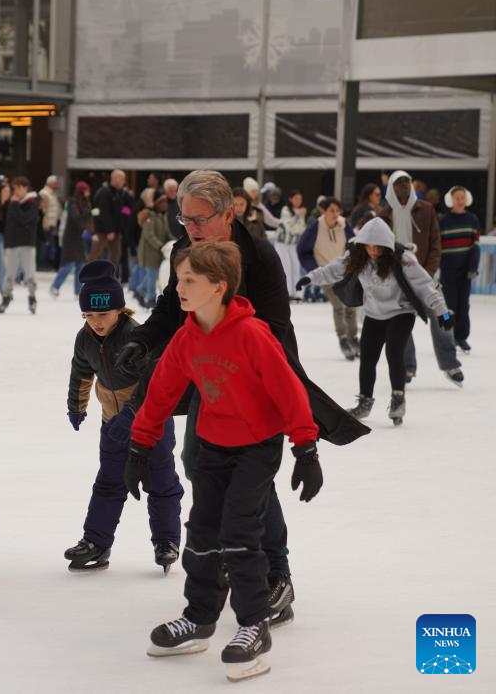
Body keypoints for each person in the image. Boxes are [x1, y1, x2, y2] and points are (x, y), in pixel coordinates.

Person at [115, 170, 369, 628]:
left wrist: (300, 434)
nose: (188, 228)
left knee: (249, 477)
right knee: (200, 466)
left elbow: (275, 328)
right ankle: (226, 565)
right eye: (183, 218)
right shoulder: (183, 252)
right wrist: (144, 341)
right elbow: (171, 311)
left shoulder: (260, 256)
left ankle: (276, 572)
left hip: (258, 382)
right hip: (209, 381)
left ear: (228, 214)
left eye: (199, 219)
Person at [135, 241, 321, 683]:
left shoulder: (252, 334)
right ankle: (199, 618)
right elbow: (160, 391)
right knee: (201, 530)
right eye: (179, 278)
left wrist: (306, 448)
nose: (178, 287)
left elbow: (289, 390)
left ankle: (253, 625)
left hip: (257, 445)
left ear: (218, 287)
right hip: (214, 442)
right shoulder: (187, 336)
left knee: (239, 530)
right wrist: (139, 446)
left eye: (188, 281)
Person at [63, 260, 183, 573]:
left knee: (161, 480)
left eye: (102, 314)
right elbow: (81, 372)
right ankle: (97, 541)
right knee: (108, 482)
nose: (96, 322)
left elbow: (155, 384)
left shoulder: (137, 337)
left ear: (120, 309)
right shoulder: (85, 338)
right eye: (89, 315)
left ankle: (166, 541)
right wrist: (76, 405)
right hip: (110, 423)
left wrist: (132, 415)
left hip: (151, 423)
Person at [298, 217, 453, 425]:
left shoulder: (403, 258)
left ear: (386, 245)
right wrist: (310, 278)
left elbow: (426, 285)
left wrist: (441, 311)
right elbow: (333, 269)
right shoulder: (356, 256)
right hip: (373, 313)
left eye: (376, 247)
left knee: (394, 351)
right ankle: (364, 401)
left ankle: (398, 399)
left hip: (401, 312)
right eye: (368, 246)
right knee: (368, 357)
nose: (372, 250)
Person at [378, 170, 463, 387]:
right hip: (398, 279)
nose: (403, 186)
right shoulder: (384, 215)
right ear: (392, 187)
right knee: (401, 324)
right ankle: (407, 367)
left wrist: (429, 271)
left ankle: (450, 363)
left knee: (441, 316)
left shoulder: (426, 209)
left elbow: (435, 243)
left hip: (425, 275)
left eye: (407, 182)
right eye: (399, 183)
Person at [297, 197, 359, 360]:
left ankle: (354, 338)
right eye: (332, 210)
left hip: (345, 272)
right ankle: (343, 339)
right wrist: (314, 269)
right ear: (323, 211)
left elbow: (354, 245)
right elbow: (302, 249)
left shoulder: (344, 225)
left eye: (338, 211)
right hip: (326, 273)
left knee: (351, 305)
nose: (335, 214)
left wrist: (352, 263)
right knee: (339, 306)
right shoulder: (315, 228)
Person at [438, 186, 481, 353]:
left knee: (463, 305)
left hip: (465, 271)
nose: (460, 200)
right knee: (448, 306)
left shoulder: (473, 220)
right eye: (457, 197)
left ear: (467, 199)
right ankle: (448, 336)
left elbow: (475, 246)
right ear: (451, 200)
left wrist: (473, 267)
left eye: (462, 197)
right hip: (448, 270)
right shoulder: (443, 221)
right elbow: (438, 246)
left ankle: (461, 336)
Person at [0, 176, 40, 315]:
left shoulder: (33, 200)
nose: (14, 191)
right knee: (9, 273)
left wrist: (14, 205)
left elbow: (24, 219)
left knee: (29, 273)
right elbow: (9, 223)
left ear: (24, 187)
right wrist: (7, 244)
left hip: (27, 242)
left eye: (16, 188)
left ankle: (32, 297)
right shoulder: (13, 202)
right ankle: (6, 297)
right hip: (13, 243)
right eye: (14, 188)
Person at [50, 181, 90, 298]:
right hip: (71, 238)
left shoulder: (84, 203)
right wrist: (89, 213)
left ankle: (78, 292)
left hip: (79, 238)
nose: (89, 192)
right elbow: (76, 218)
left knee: (80, 264)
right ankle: (55, 286)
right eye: (87, 190)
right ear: (82, 191)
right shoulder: (73, 203)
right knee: (69, 264)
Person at [136, 190, 171, 308]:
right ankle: (151, 299)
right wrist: (161, 246)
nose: (165, 205)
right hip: (149, 252)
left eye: (166, 202)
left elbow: (167, 233)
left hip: (157, 252)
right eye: (163, 202)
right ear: (157, 203)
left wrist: (177, 241)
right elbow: (149, 235)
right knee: (152, 276)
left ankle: (140, 290)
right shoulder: (149, 217)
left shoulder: (161, 216)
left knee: (152, 275)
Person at [87, 169, 128, 265]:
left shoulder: (119, 194)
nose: (124, 181)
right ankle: (84, 278)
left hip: (115, 231)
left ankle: (110, 278)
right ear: (115, 178)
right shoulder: (104, 192)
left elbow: (126, 209)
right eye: (122, 178)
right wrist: (109, 230)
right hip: (102, 231)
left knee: (116, 256)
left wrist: (126, 213)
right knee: (94, 255)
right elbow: (103, 212)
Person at [276, 189, 307, 300]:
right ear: (290, 199)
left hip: (294, 243)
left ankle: (297, 293)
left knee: (296, 266)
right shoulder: (285, 209)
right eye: (296, 198)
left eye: (300, 199)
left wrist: (298, 216)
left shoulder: (300, 211)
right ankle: (288, 292)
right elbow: (288, 226)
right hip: (282, 243)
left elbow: (302, 228)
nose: (298, 201)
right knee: (286, 266)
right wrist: (296, 216)